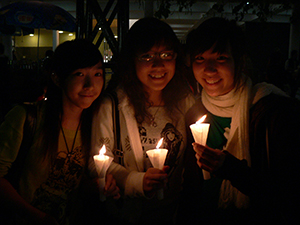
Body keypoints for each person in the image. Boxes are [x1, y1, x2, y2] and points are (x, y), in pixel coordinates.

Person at [180, 17, 300, 225]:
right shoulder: (193, 113)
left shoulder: (272, 112)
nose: (208, 69)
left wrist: (232, 170)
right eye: (199, 59)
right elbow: (192, 186)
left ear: (239, 62)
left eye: (221, 58)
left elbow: (288, 192)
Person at [0, 39, 120, 225]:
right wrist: (37, 216)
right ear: (57, 78)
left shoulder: (96, 124)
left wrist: (98, 185)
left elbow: (75, 186)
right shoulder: (26, 118)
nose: (90, 85)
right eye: (79, 74)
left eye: (97, 74)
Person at [91, 17, 194, 225]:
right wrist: (137, 182)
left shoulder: (186, 102)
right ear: (131, 61)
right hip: (126, 215)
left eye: (166, 54)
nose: (158, 64)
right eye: (147, 56)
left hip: (174, 213)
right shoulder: (111, 106)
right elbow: (97, 162)